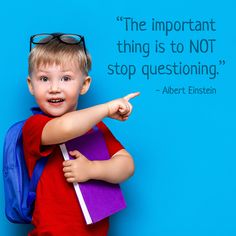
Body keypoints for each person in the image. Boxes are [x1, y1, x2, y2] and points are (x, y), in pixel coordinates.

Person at [22, 33, 139, 236]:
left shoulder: (95, 127)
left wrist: (93, 169)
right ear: (31, 85)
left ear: (84, 84)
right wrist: (107, 108)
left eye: (66, 78)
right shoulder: (35, 126)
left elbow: (127, 166)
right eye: (44, 79)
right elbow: (66, 128)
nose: (54, 88)